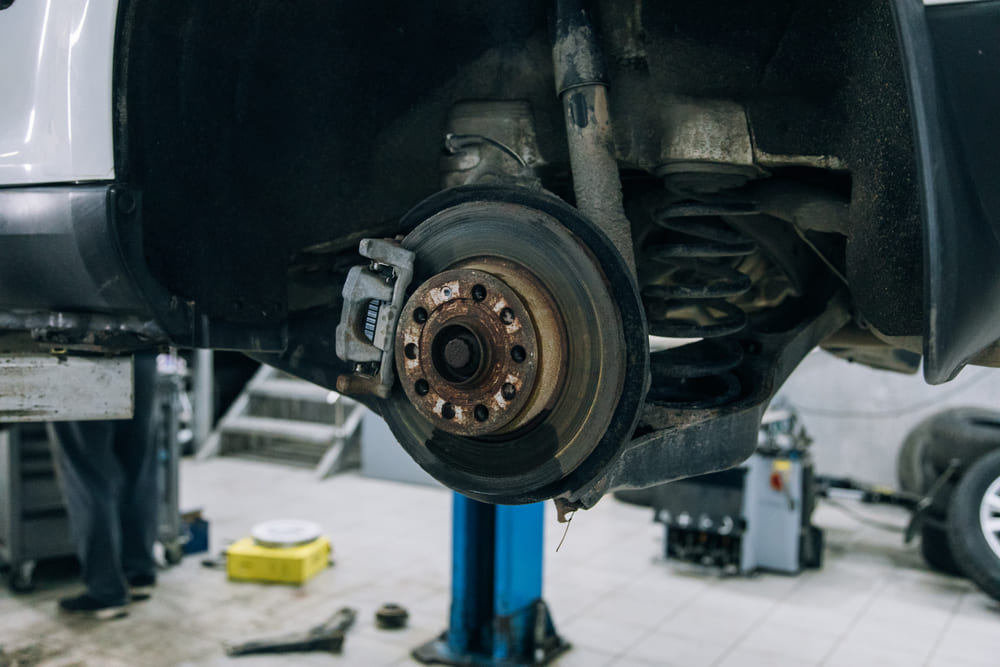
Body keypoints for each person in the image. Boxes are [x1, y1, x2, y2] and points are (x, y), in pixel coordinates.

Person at [51, 351, 160, 619]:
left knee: (88, 477)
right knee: (138, 471)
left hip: (79, 358)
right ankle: (138, 574)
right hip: (140, 357)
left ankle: (106, 590)